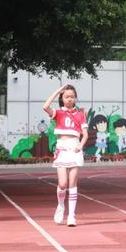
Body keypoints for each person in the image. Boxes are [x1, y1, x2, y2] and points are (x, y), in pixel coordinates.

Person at [43, 84, 88, 227]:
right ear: (62, 98)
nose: (69, 99)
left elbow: (85, 134)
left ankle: (72, 216)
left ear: (75, 98)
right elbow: (45, 106)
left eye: (72, 97)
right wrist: (57, 91)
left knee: (72, 183)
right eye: (67, 96)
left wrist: (80, 146)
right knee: (62, 184)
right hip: (61, 148)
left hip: (74, 147)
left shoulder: (80, 114)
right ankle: (61, 206)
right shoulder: (58, 113)